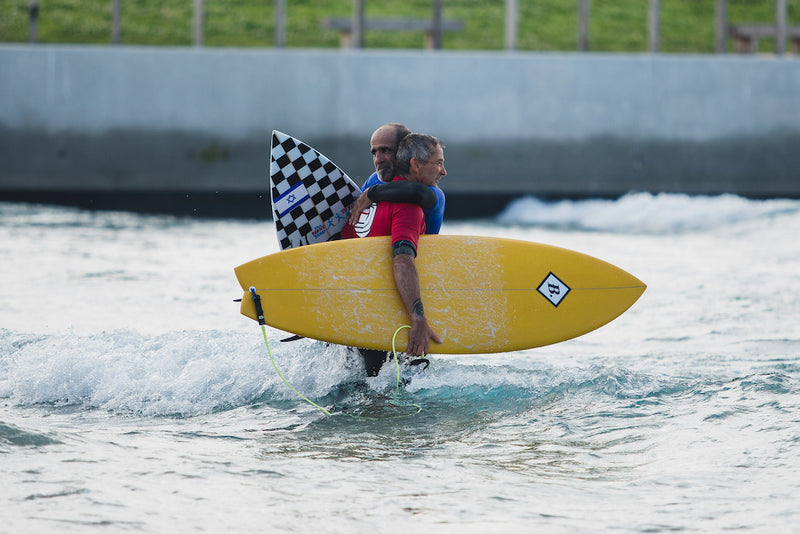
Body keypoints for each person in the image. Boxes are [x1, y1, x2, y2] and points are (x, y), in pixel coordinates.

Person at [342, 133, 448, 376]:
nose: (381, 159)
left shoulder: (369, 195)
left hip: (354, 309)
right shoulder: (400, 203)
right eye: (375, 152)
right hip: (393, 305)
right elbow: (402, 261)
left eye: (386, 151)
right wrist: (417, 316)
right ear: (415, 163)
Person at [349, 123, 446, 234]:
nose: (378, 159)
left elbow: (420, 193)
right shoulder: (374, 180)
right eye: (374, 153)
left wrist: (373, 193)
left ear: (403, 150)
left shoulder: (433, 192)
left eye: (385, 151)